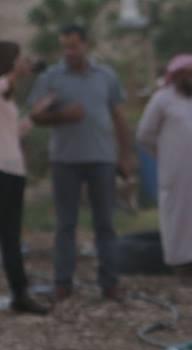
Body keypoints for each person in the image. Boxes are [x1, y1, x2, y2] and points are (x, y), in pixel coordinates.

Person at [27, 25, 132, 302]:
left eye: (73, 46)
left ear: (86, 45)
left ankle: (110, 284)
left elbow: (119, 117)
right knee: (66, 224)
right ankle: (62, 283)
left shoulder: (106, 76)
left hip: (102, 159)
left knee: (105, 223)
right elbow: (35, 116)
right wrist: (63, 115)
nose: (69, 52)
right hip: (65, 161)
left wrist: (125, 155)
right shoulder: (51, 78)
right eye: (65, 47)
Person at [136, 54, 192, 280]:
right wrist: (165, 154)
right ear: (176, 77)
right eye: (187, 74)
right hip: (178, 173)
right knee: (179, 216)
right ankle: (182, 265)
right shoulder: (162, 100)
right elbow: (144, 135)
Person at [0, 42, 48, 314]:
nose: (25, 63)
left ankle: (20, 293)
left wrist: (33, 117)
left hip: (12, 170)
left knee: (10, 235)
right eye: (20, 59)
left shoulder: (7, 95)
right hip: (4, 171)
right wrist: (18, 74)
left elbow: (11, 133)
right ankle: (20, 293)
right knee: (9, 235)